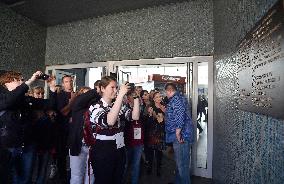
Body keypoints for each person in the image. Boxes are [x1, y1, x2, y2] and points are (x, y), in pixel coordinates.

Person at [0, 70, 56, 184]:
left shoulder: (26, 100)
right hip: (7, 148)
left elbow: (50, 104)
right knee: (7, 178)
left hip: (27, 146)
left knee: (25, 180)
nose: (22, 82)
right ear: (7, 82)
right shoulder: (3, 97)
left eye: (22, 79)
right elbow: (9, 102)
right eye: (18, 80)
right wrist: (30, 81)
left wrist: (52, 88)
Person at [89, 76, 140, 184]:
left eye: (116, 88)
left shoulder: (118, 105)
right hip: (103, 151)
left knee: (118, 180)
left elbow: (134, 116)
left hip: (119, 149)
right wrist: (121, 95)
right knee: (104, 180)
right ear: (102, 88)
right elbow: (110, 121)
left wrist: (135, 98)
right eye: (112, 87)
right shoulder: (95, 106)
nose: (115, 90)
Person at [68, 86, 100, 184]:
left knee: (90, 176)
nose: (87, 97)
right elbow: (82, 99)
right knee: (76, 176)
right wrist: (96, 90)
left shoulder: (95, 108)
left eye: (88, 94)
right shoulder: (77, 107)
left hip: (92, 146)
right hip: (78, 145)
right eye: (84, 94)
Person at [164, 83, 194, 184]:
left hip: (181, 137)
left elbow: (180, 116)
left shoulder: (176, 99)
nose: (166, 94)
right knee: (179, 164)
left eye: (166, 92)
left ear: (169, 91)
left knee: (182, 166)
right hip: (181, 136)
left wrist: (178, 132)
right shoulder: (179, 98)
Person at [56, 75, 76, 183]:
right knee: (62, 154)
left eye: (70, 81)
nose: (69, 83)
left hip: (75, 129)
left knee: (75, 153)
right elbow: (64, 112)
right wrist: (72, 101)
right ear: (63, 84)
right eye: (66, 81)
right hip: (63, 129)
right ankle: (62, 177)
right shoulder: (60, 95)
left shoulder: (77, 94)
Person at [124, 92, 143, 184]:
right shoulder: (124, 109)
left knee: (136, 165)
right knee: (125, 164)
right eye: (132, 97)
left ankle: (134, 182)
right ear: (128, 98)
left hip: (139, 142)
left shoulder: (141, 108)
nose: (135, 98)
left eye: (136, 97)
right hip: (127, 141)